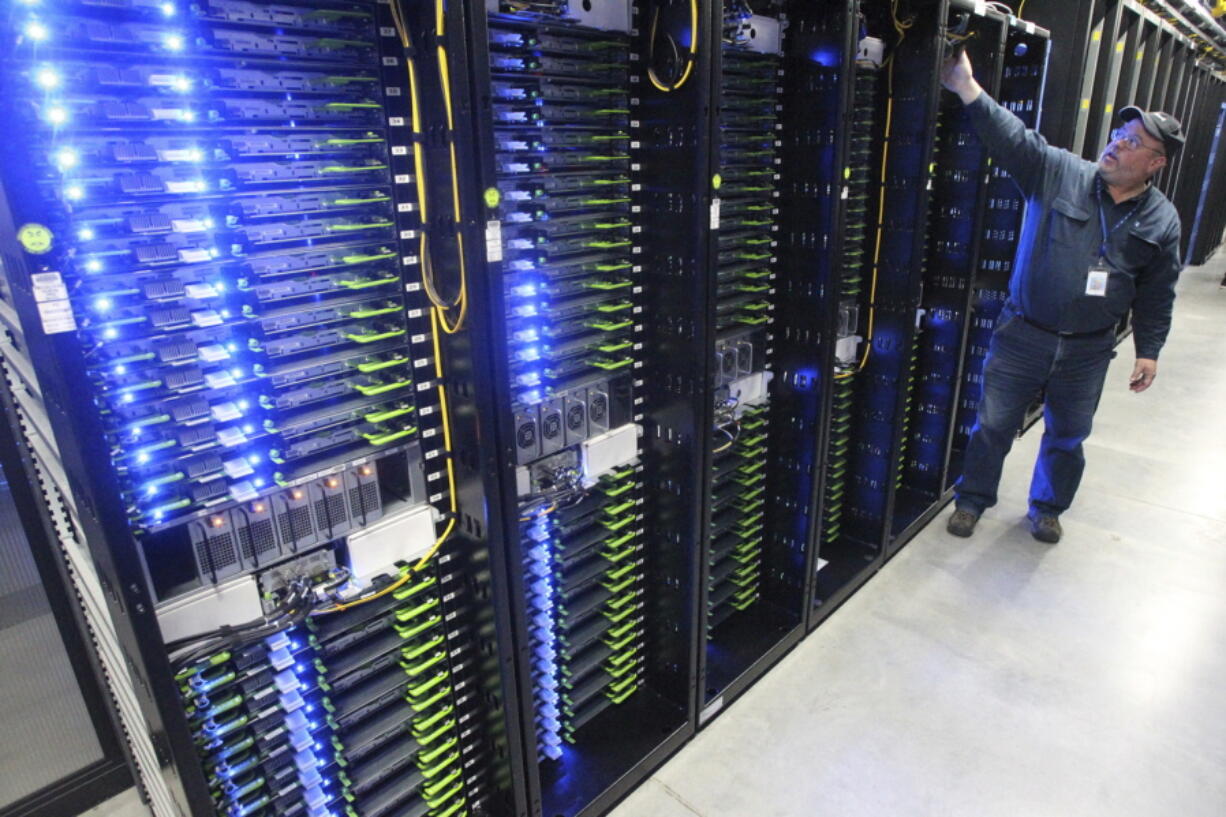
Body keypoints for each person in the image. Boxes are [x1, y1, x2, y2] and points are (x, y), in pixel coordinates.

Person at [939, 48, 1184, 544]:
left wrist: (1150, 351)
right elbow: (1014, 139)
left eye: (1132, 142)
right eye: (1119, 133)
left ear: (1155, 162)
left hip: (1088, 349)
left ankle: (1048, 507)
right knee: (993, 425)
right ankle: (972, 500)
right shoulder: (1059, 173)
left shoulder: (1162, 221)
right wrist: (967, 87)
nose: (1116, 144)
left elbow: (1158, 292)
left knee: (1068, 435)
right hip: (1024, 332)